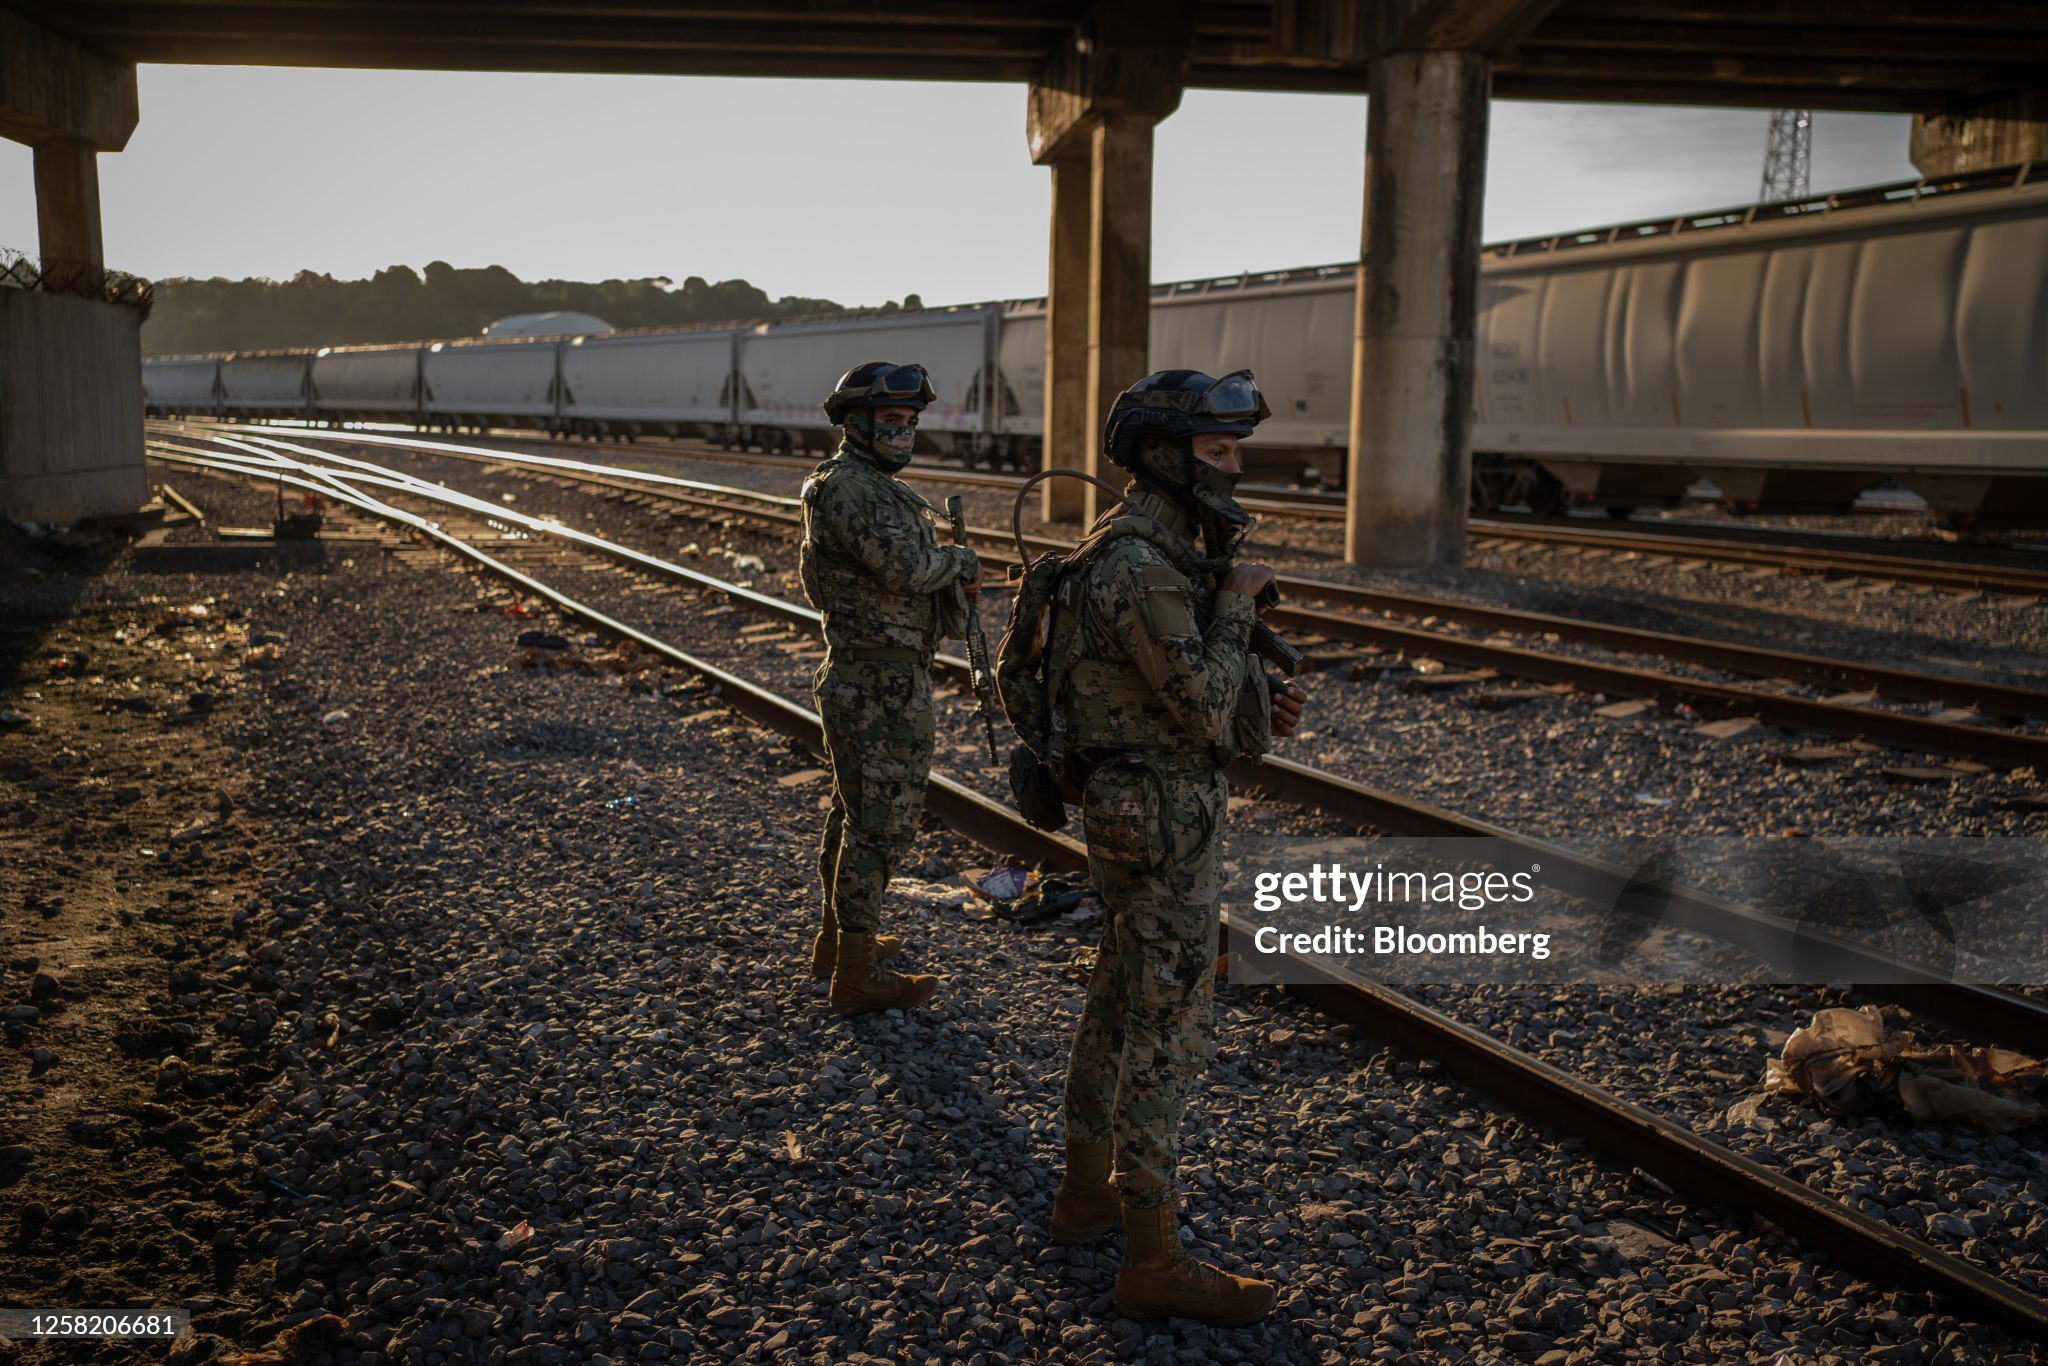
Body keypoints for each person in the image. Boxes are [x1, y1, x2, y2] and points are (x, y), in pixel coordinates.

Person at [1042, 369, 1309, 1324]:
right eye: (1219, 452)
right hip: (1162, 814)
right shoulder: (1144, 566)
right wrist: (1238, 604)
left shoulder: (1150, 550)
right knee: (1168, 1027)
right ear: (1164, 455)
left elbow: (1193, 698)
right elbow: (1194, 702)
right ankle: (1152, 1257)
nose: (1235, 470)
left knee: (1120, 995)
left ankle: (1084, 1197)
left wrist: (1256, 700)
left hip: (1142, 802)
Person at [799, 361, 981, 1015]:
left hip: (885, 673)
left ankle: (841, 943)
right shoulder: (849, 487)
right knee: (878, 825)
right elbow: (903, 569)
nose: (903, 433)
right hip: (876, 679)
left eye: (910, 422)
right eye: (891, 422)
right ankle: (855, 975)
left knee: (855, 815)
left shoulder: (873, 485)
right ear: (857, 424)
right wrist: (958, 563)